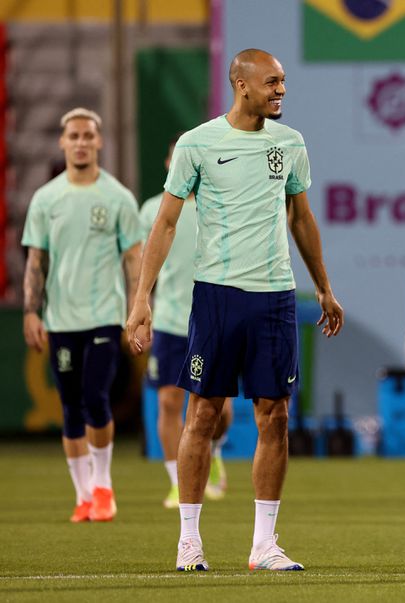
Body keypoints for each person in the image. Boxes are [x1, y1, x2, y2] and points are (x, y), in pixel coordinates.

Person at [126, 48, 344, 572]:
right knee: (202, 413)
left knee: (276, 417)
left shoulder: (290, 144)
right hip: (218, 297)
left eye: (284, 82)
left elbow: (302, 220)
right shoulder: (198, 144)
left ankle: (264, 544)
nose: (281, 91)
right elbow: (166, 224)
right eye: (272, 82)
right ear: (241, 84)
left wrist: (324, 287)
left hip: (275, 298)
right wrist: (142, 298)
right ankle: (189, 541)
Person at [21, 107, 142, 523]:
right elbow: (36, 260)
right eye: (73, 135)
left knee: (96, 397)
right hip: (60, 319)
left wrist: (137, 307)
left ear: (100, 141)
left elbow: (133, 259)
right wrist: (30, 312)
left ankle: (104, 485)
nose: (81, 142)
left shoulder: (118, 198)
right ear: (62, 142)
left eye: (88, 135)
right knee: (70, 405)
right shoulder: (46, 199)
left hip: (104, 316)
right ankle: (83, 494)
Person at [139, 138, 234, 509]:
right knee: (167, 403)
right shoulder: (151, 210)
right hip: (168, 321)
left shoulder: (220, 205)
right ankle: (178, 483)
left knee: (218, 411)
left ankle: (212, 449)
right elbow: (141, 262)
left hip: (213, 320)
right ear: (168, 163)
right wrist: (138, 306)